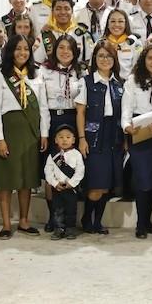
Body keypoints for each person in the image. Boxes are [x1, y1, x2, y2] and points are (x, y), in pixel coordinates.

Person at [0, 35, 50, 240]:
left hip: (31, 132)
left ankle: (24, 221)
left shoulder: (37, 74)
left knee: (26, 179)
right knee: (6, 180)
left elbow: (42, 107)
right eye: (18, 49)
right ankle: (6, 224)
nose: (22, 53)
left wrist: (44, 133)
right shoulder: (0, 75)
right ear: (10, 51)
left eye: (26, 49)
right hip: (9, 131)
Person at [121, 43, 152, 239]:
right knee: (142, 179)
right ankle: (140, 223)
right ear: (144, 60)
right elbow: (126, 108)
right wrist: (126, 126)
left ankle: (148, 220)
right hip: (139, 133)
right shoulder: (133, 80)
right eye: (150, 58)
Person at [76, 40, 126, 235]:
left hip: (114, 136)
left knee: (106, 185)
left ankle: (98, 221)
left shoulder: (119, 84)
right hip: (94, 136)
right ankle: (87, 218)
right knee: (96, 184)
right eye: (101, 56)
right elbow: (80, 112)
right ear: (94, 59)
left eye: (108, 56)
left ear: (114, 59)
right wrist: (81, 138)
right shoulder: (86, 82)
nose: (105, 59)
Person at [40, 34, 84, 232]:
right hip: (52, 119)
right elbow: (42, 103)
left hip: (74, 119)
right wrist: (44, 132)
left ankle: (68, 216)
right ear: (55, 50)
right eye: (61, 47)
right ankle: (53, 216)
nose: (65, 51)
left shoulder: (80, 72)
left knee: (72, 167)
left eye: (69, 48)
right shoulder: (44, 70)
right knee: (53, 167)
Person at [45, 125, 85, 240]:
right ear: (56, 140)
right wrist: (54, 183)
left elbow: (80, 171)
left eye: (68, 137)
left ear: (73, 140)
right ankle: (59, 229)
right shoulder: (53, 156)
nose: (64, 140)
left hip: (71, 189)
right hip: (57, 188)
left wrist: (72, 183)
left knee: (71, 209)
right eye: (61, 137)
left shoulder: (76, 154)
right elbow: (48, 171)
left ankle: (70, 229)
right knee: (57, 209)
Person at [41, 0, 94, 64]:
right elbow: (37, 62)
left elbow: (91, 60)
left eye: (66, 9)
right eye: (58, 9)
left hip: (79, 74)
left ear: (72, 11)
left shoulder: (83, 34)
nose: (63, 12)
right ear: (52, 11)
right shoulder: (45, 35)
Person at [102, 9, 142, 80]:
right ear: (108, 24)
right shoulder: (101, 43)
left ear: (126, 24)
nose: (116, 24)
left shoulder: (135, 43)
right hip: (105, 83)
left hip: (127, 83)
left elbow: (138, 66)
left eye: (120, 21)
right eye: (113, 21)